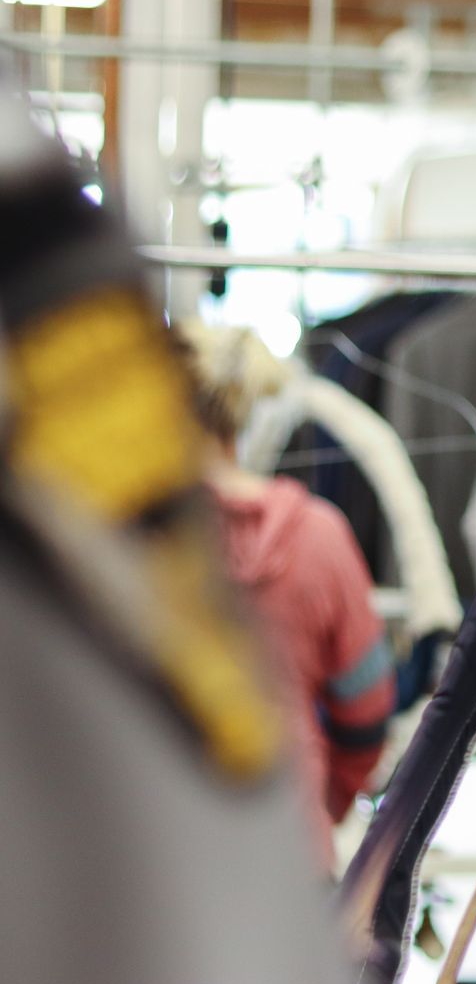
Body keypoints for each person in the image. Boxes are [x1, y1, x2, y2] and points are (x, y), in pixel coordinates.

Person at [177, 320, 397, 870]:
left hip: (163, 865)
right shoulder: (318, 534)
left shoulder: (130, 534)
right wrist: (323, 802)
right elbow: (367, 709)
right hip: (291, 851)